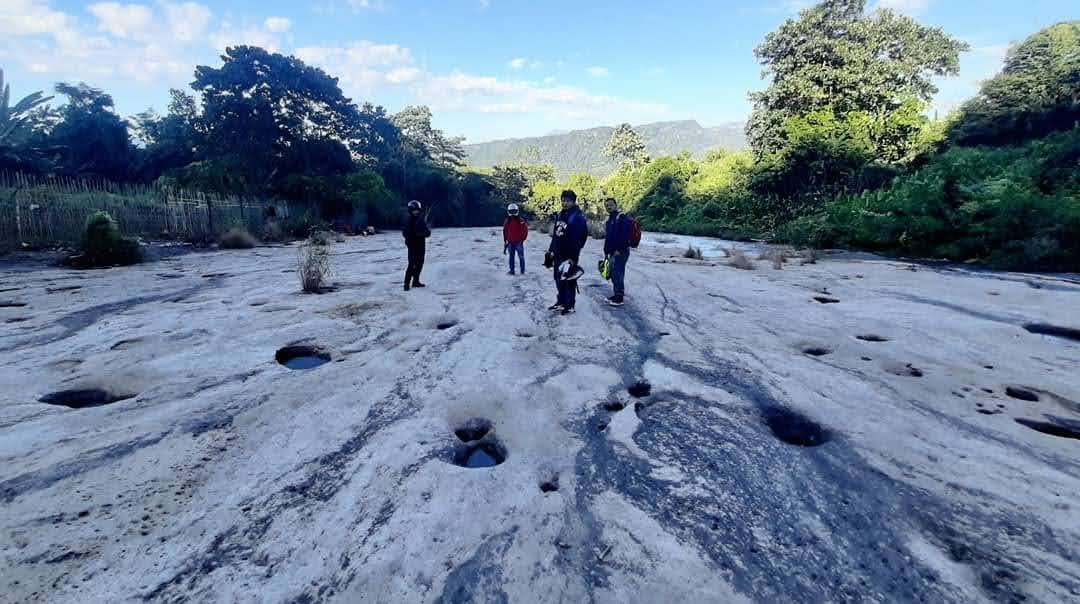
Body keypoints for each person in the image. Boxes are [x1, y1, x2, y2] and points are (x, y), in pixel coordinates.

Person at [547, 190, 588, 315]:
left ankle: (570, 305)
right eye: (563, 200)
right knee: (558, 279)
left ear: (573, 202)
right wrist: (550, 251)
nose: (565, 203)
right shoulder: (561, 215)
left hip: (569, 255)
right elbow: (556, 235)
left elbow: (580, 238)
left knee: (569, 280)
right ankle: (561, 302)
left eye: (568, 201)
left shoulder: (577, 217)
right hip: (558, 253)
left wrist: (573, 257)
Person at [603, 197, 632, 306]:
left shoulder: (621, 217)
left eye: (610, 205)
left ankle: (619, 297)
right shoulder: (610, 219)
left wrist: (620, 250)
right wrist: (606, 251)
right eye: (606, 206)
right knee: (614, 274)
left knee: (618, 273)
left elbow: (625, 235)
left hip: (620, 252)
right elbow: (608, 237)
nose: (608, 207)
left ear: (615, 205)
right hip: (612, 252)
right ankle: (616, 294)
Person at [402, 200, 430, 291]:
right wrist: (411, 236)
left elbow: (428, 232)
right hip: (412, 246)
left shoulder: (421, 220)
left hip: (421, 246)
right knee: (411, 264)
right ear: (410, 210)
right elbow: (404, 233)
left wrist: (421, 234)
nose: (416, 212)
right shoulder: (408, 221)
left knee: (419, 264)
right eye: (414, 210)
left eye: (417, 210)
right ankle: (406, 284)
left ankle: (416, 281)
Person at [503, 203, 528, 275]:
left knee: (521, 257)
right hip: (510, 242)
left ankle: (522, 271)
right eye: (512, 211)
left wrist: (522, 239)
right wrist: (505, 241)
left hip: (518, 242)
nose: (513, 213)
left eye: (514, 211)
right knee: (511, 257)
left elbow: (525, 230)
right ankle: (512, 271)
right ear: (509, 211)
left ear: (517, 211)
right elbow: (505, 231)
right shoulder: (507, 221)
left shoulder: (521, 220)